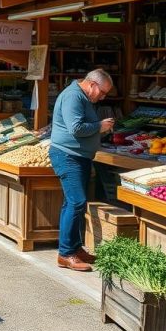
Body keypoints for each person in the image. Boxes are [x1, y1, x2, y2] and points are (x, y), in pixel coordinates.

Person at [50, 69, 115, 272]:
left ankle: (74, 248)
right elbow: (76, 128)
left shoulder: (82, 97)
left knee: (72, 203)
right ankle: (66, 253)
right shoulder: (73, 96)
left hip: (79, 156)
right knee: (77, 202)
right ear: (92, 85)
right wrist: (99, 126)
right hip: (68, 156)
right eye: (102, 92)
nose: (103, 97)